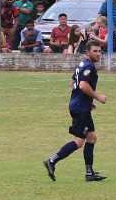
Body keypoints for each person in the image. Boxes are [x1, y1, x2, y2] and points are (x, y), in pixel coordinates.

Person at [42, 44, 108, 182]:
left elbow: (72, 83)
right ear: (87, 52)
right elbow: (83, 85)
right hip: (80, 109)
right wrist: (97, 97)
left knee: (92, 138)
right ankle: (51, 161)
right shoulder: (89, 67)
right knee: (78, 142)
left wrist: (86, 100)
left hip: (80, 106)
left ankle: (89, 173)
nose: (98, 54)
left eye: (99, 51)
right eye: (94, 51)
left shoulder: (82, 64)